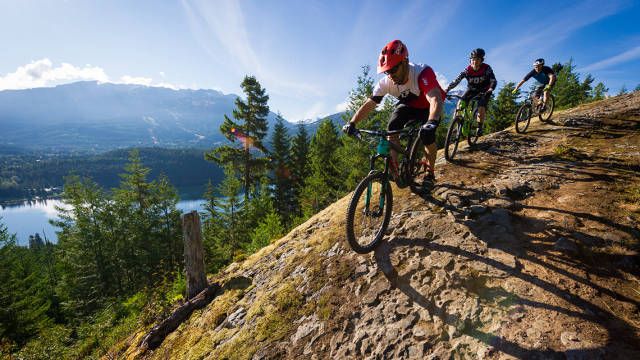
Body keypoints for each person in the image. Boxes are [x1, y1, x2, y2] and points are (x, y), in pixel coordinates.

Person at [342, 40, 445, 192]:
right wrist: (352, 122)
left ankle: (429, 174)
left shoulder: (422, 72)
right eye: (387, 71)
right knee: (392, 129)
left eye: (393, 69)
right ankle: (395, 169)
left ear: (405, 62)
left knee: (427, 137)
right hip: (408, 105)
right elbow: (369, 104)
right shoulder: (386, 83)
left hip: (428, 107)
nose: (390, 75)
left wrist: (432, 122)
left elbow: (435, 98)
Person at [444, 48, 497, 136]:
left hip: (485, 90)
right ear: (470, 60)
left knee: (481, 108)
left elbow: (493, 80)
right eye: (473, 60)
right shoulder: (467, 70)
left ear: (481, 60)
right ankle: (457, 125)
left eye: (477, 60)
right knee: (460, 103)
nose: (475, 62)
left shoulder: (486, 68)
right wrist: (447, 89)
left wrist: (491, 89)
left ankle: (479, 128)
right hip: (472, 89)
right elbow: (456, 80)